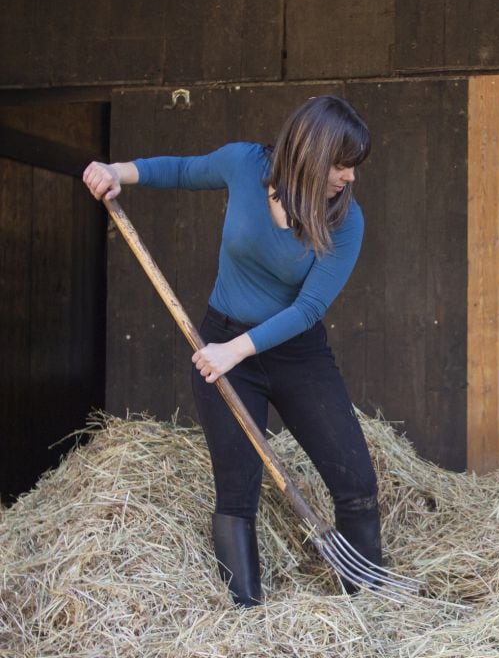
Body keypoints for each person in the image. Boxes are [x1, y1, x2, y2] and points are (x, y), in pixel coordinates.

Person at [82, 95, 382, 607]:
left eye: (353, 167)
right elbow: (180, 171)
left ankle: (370, 598)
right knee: (237, 493)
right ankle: (244, 616)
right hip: (220, 341)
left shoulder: (346, 222)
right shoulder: (245, 165)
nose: (349, 178)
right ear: (312, 153)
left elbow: (308, 309)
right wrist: (115, 171)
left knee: (356, 482)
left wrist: (235, 352)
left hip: (294, 353)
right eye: (342, 164)